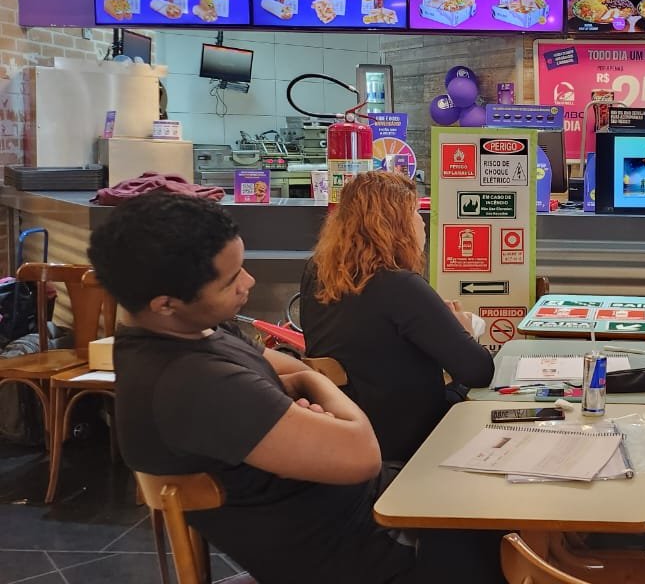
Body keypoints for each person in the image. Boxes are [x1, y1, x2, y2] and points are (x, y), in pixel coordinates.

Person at [89, 192, 501, 584]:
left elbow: (286, 369)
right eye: (230, 280)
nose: (249, 281)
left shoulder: (195, 333)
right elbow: (361, 454)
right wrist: (309, 383)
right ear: (165, 303)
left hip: (362, 511)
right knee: (508, 535)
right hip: (361, 551)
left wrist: (300, 392)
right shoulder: (193, 382)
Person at [301, 171, 494, 463]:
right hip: (409, 439)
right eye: (415, 212)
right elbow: (478, 371)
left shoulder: (317, 274)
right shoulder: (399, 286)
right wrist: (464, 329)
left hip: (349, 427)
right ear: (396, 224)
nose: (422, 222)